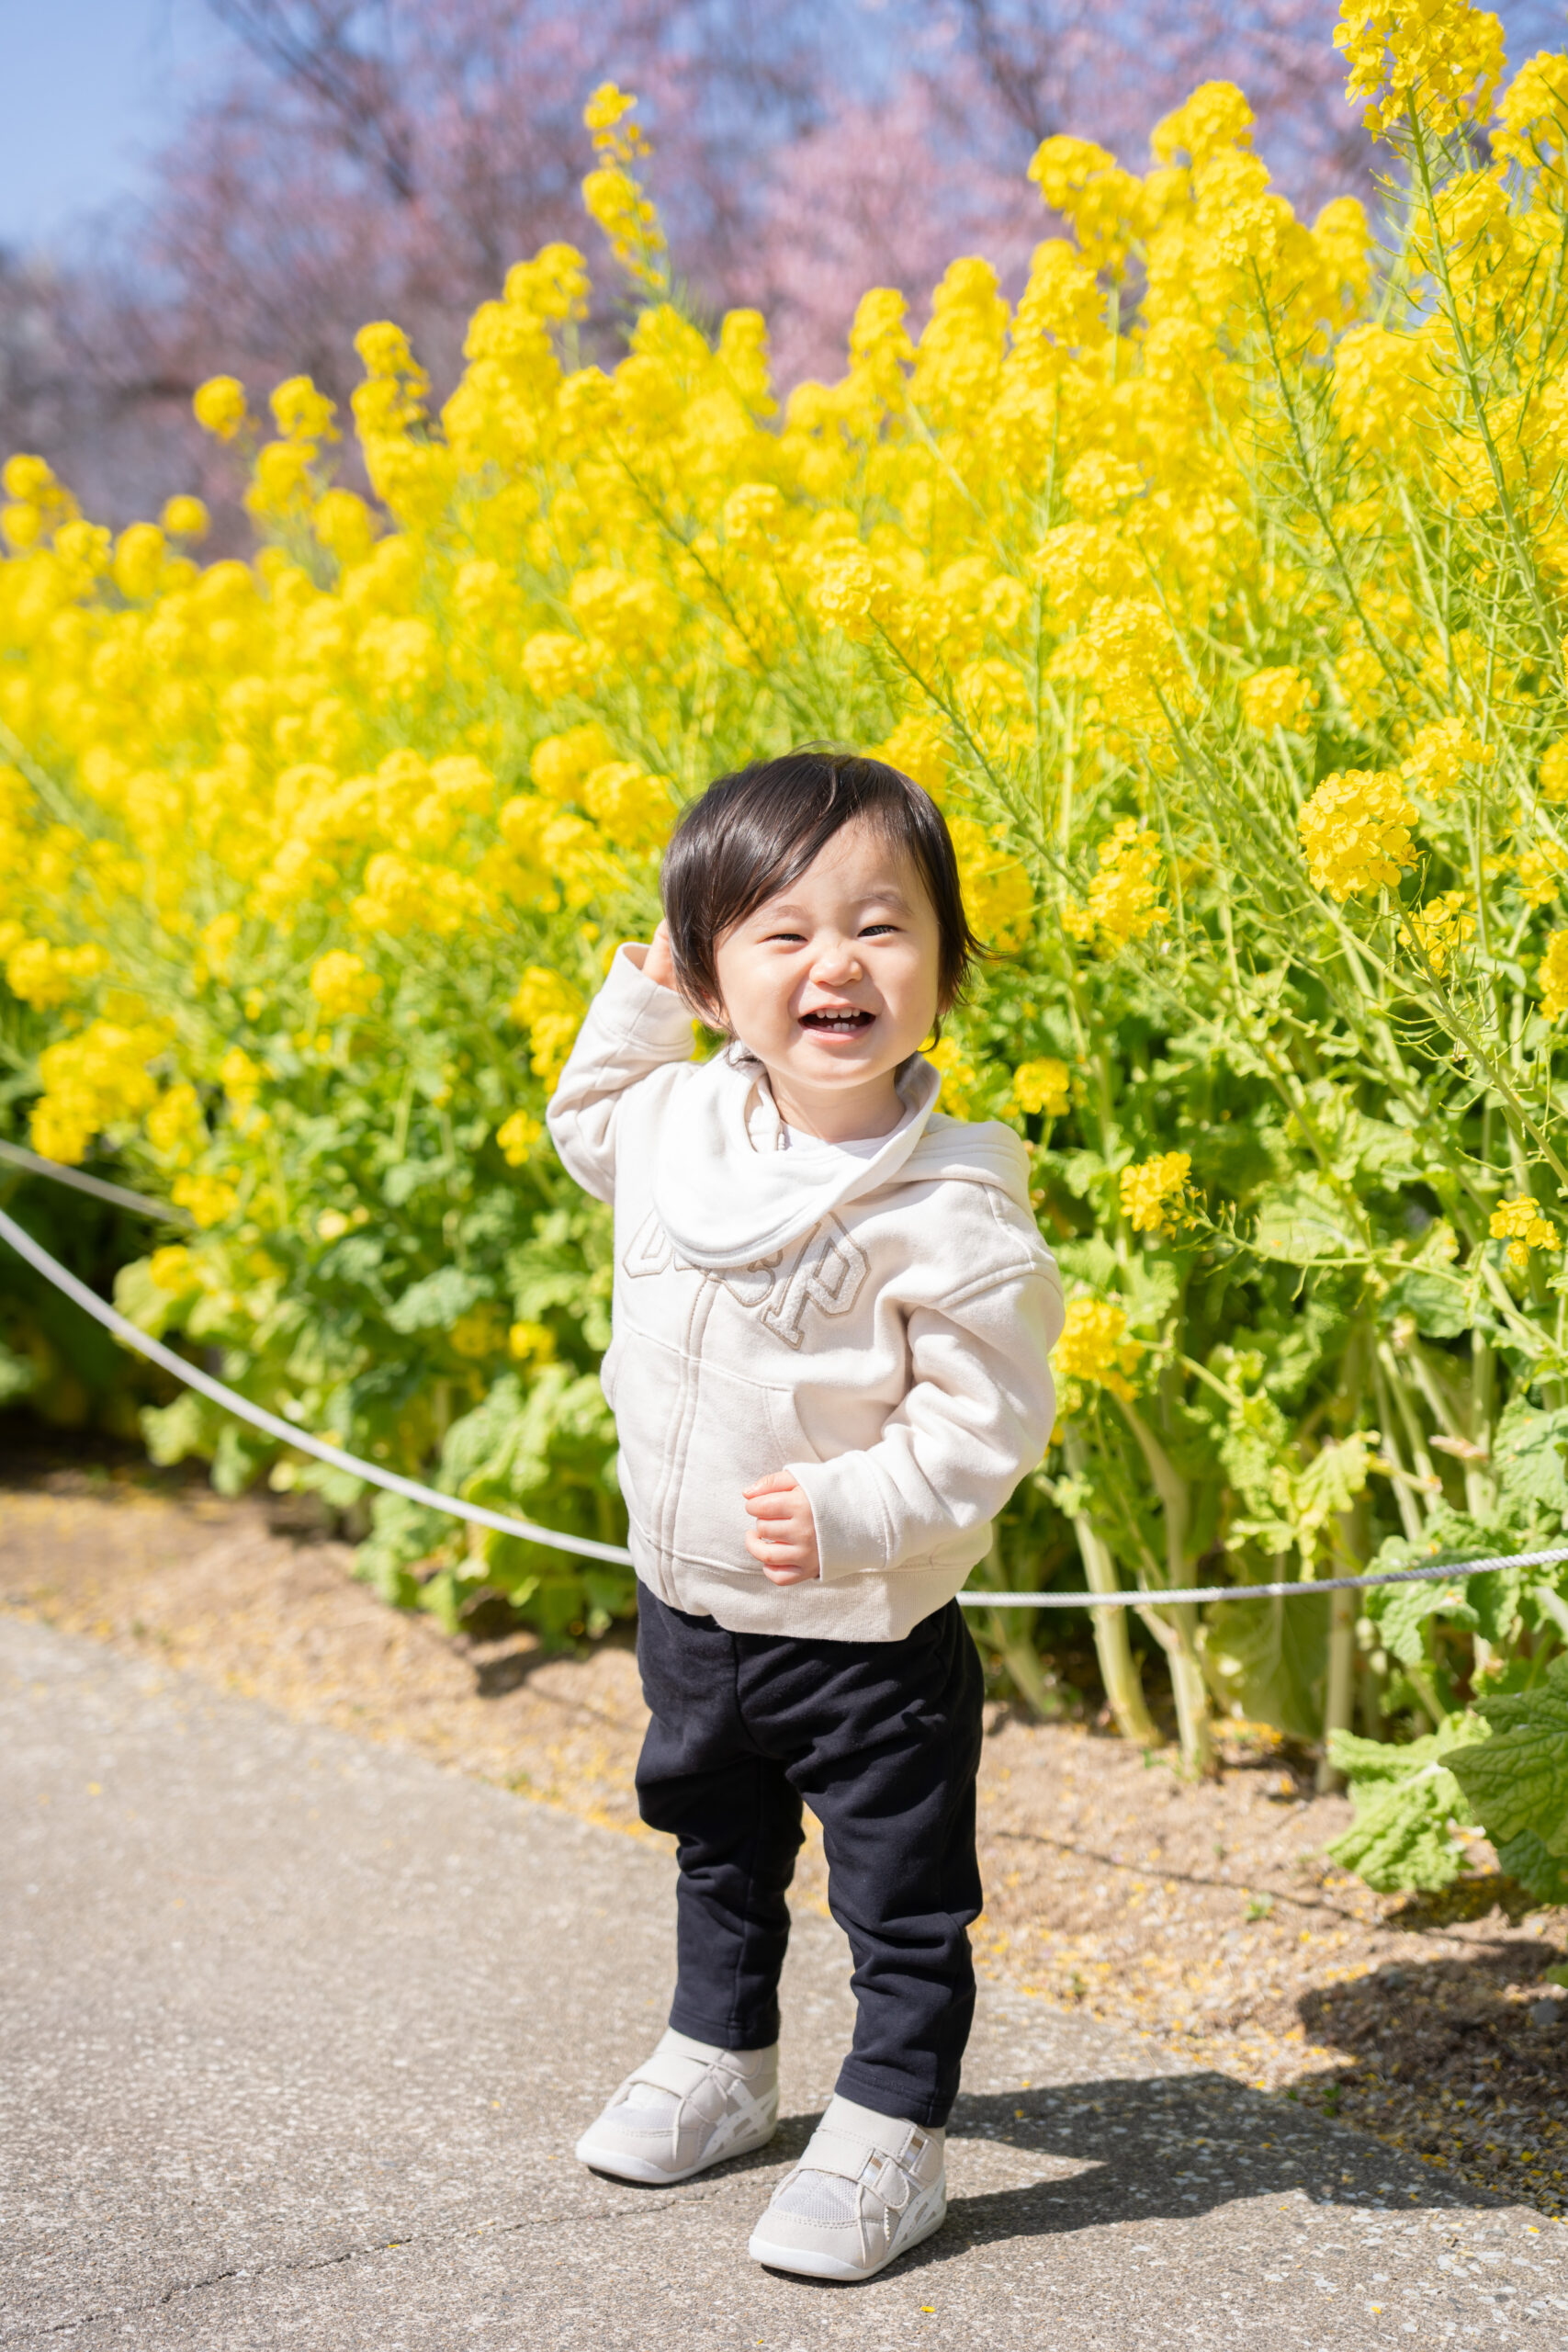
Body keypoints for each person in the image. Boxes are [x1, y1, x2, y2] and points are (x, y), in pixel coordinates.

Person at [547, 746, 1063, 2282]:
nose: (836, 963)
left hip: (862, 1633)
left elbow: (988, 1423)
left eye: (882, 926)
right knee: (716, 1845)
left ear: (945, 969)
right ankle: (723, 2059)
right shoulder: (676, 1125)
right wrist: (638, 1000)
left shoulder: (955, 1207)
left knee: (900, 1898)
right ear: (712, 984)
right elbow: (589, 1123)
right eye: (780, 933)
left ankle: (895, 2128)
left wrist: (855, 1507)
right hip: (690, 1603)